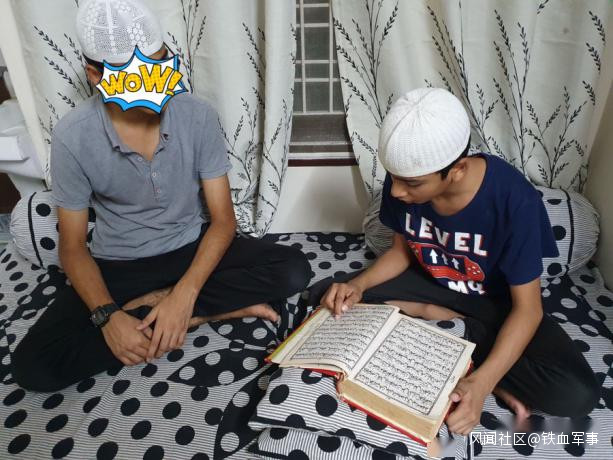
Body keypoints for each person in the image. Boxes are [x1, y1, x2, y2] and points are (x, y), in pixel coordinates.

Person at [11, 0, 310, 392]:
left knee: (293, 269)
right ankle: (194, 314)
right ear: (96, 75)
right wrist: (108, 317)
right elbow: (72, 247)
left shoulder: (197, 115)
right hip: (119, 264)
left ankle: (176, 312)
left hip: (190, 248)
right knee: (32, 367)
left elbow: (223, 222)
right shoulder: (73, 135)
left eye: (158, 66)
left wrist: (184, 295)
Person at [317, 88, 600, 435]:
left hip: (492, 301)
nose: (395, 192)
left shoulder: (516, 202)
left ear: (457, 170)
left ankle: (451, 331)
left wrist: (482, 384)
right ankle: (434, 317)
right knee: (326, 298)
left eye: (411, 183)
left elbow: (528, 310)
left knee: (576, 393)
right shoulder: (403, 180)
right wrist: (358, 284)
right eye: (394, 177)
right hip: (429, 284)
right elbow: (401, 253)